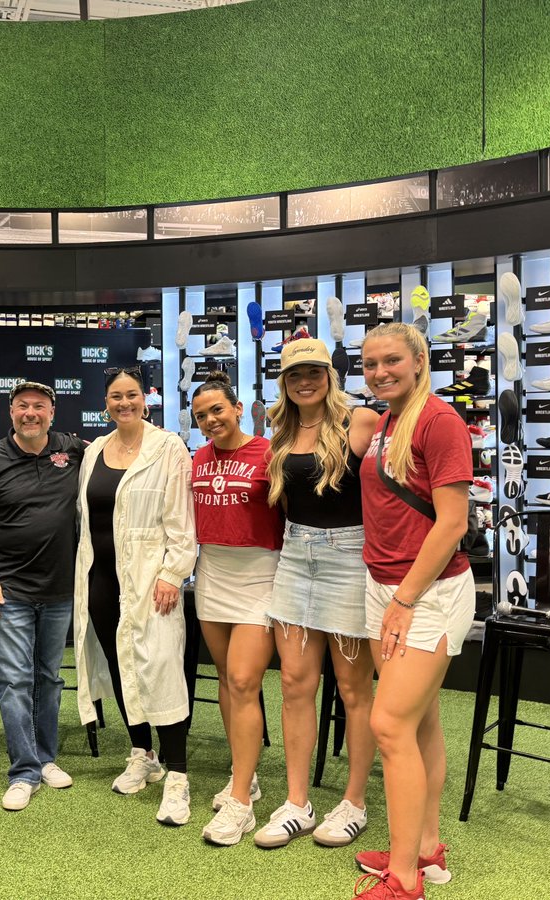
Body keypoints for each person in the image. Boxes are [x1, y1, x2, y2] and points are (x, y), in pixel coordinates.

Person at [352, 323, 473, 900]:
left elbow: (453, 522)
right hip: (388, 587)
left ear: (420, 359)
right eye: (370, 363)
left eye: (391, 360)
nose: (379, 371)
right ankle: (426, 849)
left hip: (426, 593)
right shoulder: (389, 421)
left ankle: (404, 879)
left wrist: (402, 600)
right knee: (420, 721)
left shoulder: (439, 421)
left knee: (389, 724)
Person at [255, 338, 379, 851]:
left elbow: (392, 488)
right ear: (284, 382)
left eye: (314, 372)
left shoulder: (362, 421)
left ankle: (354, 803)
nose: (304, 381)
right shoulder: (281, 430)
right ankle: (297, 802)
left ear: (329, 373)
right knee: (293, 686)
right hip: (294, 555)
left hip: (349, 558)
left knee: (354, 691)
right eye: (294, 374)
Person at [72, 365, 196, 825]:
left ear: (145, 397)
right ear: (105, 402)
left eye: (131, 394)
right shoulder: (96, 451)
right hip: (100, 579)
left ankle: (178, 774)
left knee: (161, 667)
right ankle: (143, 754)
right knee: (122, 666)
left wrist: (172, 574)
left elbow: (183, 523)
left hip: (151, 581)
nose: (123, 403)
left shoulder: (169, 448)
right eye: (114, 396)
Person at [0, 381, 83, 810]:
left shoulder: (74, 450)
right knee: (15, 681)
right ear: (10, 412)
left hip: (61, 588)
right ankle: (23, 771)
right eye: (22, 406)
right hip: (10, 589)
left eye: (39, 406)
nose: (30, 413)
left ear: (52, 412)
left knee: (49, 679)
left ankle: (46, 757)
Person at [189, 371, 284, 847]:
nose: (210, 420)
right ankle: (241, 771)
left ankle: (242, 803)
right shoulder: (196, 458)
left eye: (217, 410)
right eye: (201, 415)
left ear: (238, 408)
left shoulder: (268, 453)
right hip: (212, 574)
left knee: (246, 680)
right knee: (228, 679)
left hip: (261, 575)